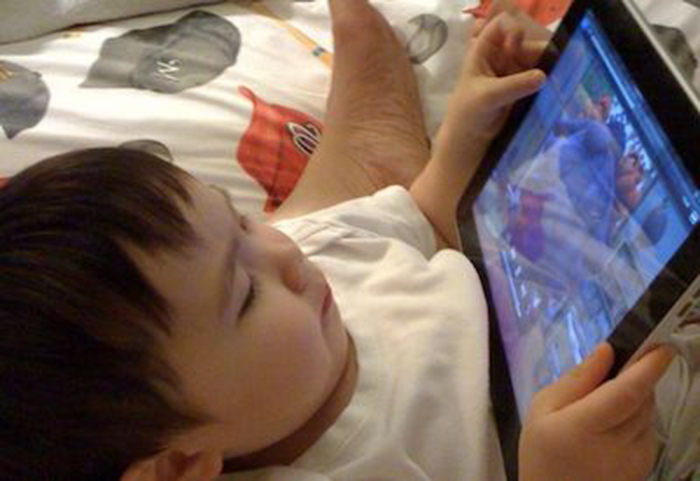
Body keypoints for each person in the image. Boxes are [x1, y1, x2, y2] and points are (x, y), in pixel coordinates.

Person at [0, 1, 688, 480]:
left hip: (584, 309)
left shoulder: (318, 261)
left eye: (241, 223)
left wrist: (464, 131)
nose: (283, 253)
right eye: (244, 293)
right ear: (181, 464)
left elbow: (422, 215)